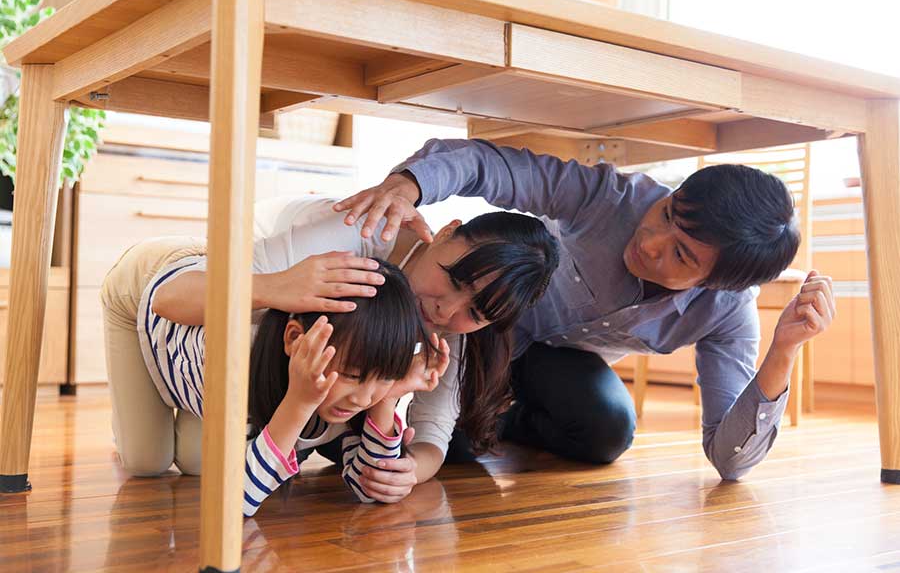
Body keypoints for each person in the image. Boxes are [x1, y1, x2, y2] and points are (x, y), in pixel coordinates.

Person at [332, 138, 836, 488]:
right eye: (665, 214)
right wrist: (408, 186)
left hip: (558, 361)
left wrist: (784, 350)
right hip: (489, 322)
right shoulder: (612, 197)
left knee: (607, 431)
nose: (651, 241)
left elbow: (729, 461)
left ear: (717, 285)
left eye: (681, 255)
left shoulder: (727, 315)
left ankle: (494, 416)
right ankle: (473, 417)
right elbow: (491, 164)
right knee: (454, 450)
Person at [105, 197, 559, 505]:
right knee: (147, 461)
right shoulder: (348, 238)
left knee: (202, 460)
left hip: (239, 364)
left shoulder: (449, 327)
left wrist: (411, 471)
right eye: (456, 281)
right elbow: (165, 299)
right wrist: (276, 287)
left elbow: (432, 431)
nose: (446, 310)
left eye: (476, 313)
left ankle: (207, 413)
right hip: (162, 287)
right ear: (447, 232)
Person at [102, 241, 450, 516]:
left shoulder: (356, 385)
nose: (363, 398)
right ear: (294, 338)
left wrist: (389, 396)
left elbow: (369, 488)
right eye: (352, 375)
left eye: (385, 377)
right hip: (151, 289)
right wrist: (299, 402)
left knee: (197, 464)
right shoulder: (233, 358)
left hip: (204, 372)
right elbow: (233, 504)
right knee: (147, 461)